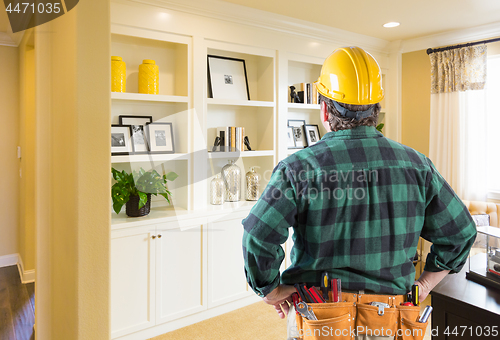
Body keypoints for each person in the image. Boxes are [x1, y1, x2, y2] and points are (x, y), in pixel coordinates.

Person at [242, 46, 477, 332]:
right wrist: (425, 284)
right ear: (376, 109)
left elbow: (258, 234)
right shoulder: (417, 166)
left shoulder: (297, 168)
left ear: (325, 108)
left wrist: (270, 289)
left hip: (320, 318)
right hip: (391, 318)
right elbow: (461, 232)